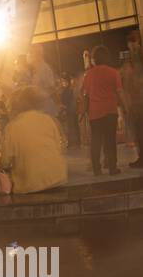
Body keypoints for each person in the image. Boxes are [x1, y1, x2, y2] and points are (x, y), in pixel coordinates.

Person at [0, 87, 67, 194]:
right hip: (57, 179)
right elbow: (59, 148)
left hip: (29, 186)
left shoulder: (12, 127)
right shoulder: (48, 120)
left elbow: (5, 161)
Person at [82, 45, 125, 176]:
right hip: (110, 111)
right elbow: (119, 92)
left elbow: (84, 93)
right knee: (110, 139)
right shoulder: (113, 72)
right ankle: (112, 167)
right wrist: (124, 106)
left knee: (95, 141)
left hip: (94, 113)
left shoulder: (88, 75)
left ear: (94, 59)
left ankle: (97, 169)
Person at [121, 37, 143, 168]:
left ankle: (141, 159)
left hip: (138, 103)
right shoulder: (133, 60)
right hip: (136, 103)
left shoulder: (134, 60)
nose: (132, 45)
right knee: (139, 132)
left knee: (140, 132)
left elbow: (131, 80)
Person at [28, 44, 58, 118]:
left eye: (31, 53)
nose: (29, 56)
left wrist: (41, 95)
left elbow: (51, 88)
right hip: (38, 108)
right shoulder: (33, 70)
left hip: (46, 109)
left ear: (38, 54)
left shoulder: (45, 68)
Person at [58, 73, 80, 147]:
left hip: (69, 110)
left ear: (67, 81)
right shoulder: (69, 89)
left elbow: (65, 101)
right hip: (72, 110)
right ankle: (76, 142)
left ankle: (72, 142)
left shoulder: (67, 90)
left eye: (63, 81)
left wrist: (63, 108)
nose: (62, 83)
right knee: (74, 126)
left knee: (71, 126)